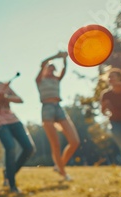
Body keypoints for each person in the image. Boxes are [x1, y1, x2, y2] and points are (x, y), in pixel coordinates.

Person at [0, 63, 36, 193]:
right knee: (10, 147)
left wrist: (6, 97)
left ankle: (8, 173)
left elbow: (20, 99)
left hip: (13, 119)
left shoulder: (3, 86)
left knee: (29, 148)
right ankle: (12, 185)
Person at [36, 51, 79, 181]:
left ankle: (59, 165)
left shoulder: (56, 80)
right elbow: (42, 63)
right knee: (55, 144)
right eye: (49, 68)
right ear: (45, 69)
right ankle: (63, 173)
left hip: (58, 108)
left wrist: (65, 59)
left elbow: (64, 69)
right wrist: (56, 56)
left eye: (53, 68)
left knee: (74, 141)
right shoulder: (39, 80)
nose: (51, 70)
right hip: (47, 109)